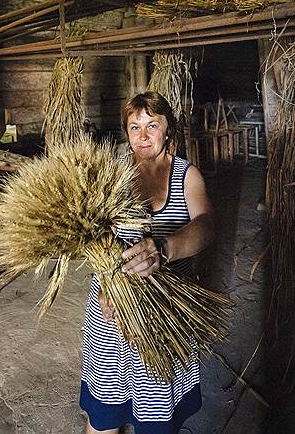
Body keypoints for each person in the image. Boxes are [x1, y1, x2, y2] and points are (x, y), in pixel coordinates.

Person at [80, 91, 214, 434]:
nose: (142, 135)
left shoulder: (188, 175)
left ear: (168, 129)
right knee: (103, 419)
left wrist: (165, 248)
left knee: (156, 417)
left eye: (152, 125)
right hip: (114, 314)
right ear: (126, 132)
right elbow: (93, 235)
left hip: (164, 316)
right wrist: (109, 284)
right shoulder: (109, 176)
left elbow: (205, 227)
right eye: (134, 126)